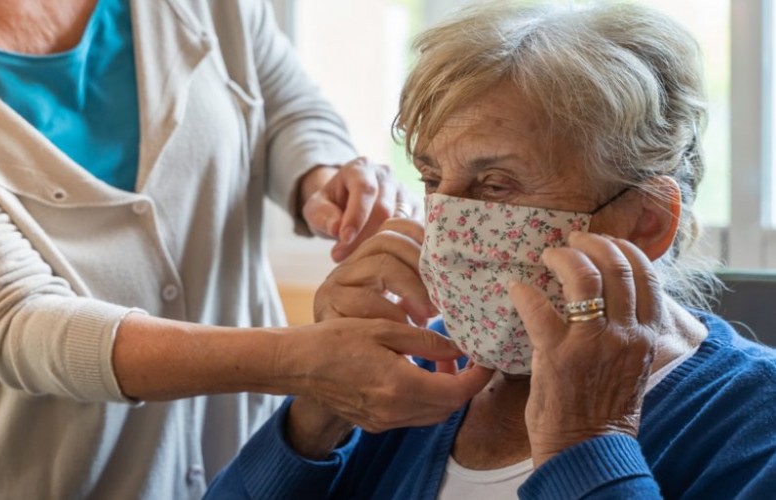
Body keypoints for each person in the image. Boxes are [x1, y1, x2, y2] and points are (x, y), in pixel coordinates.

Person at [0, 0, 489, 498]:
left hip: (249, 461)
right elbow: (9, 317)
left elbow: (284, 103)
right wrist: (295, 362)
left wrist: (326, 176)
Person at [205, 2, 776, 499]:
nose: (449, 227)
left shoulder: (753, 419)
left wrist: (585, 442)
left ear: (645, 221)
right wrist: (318, 410)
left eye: (495, 186)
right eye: (431, 180)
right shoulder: (408, 376)